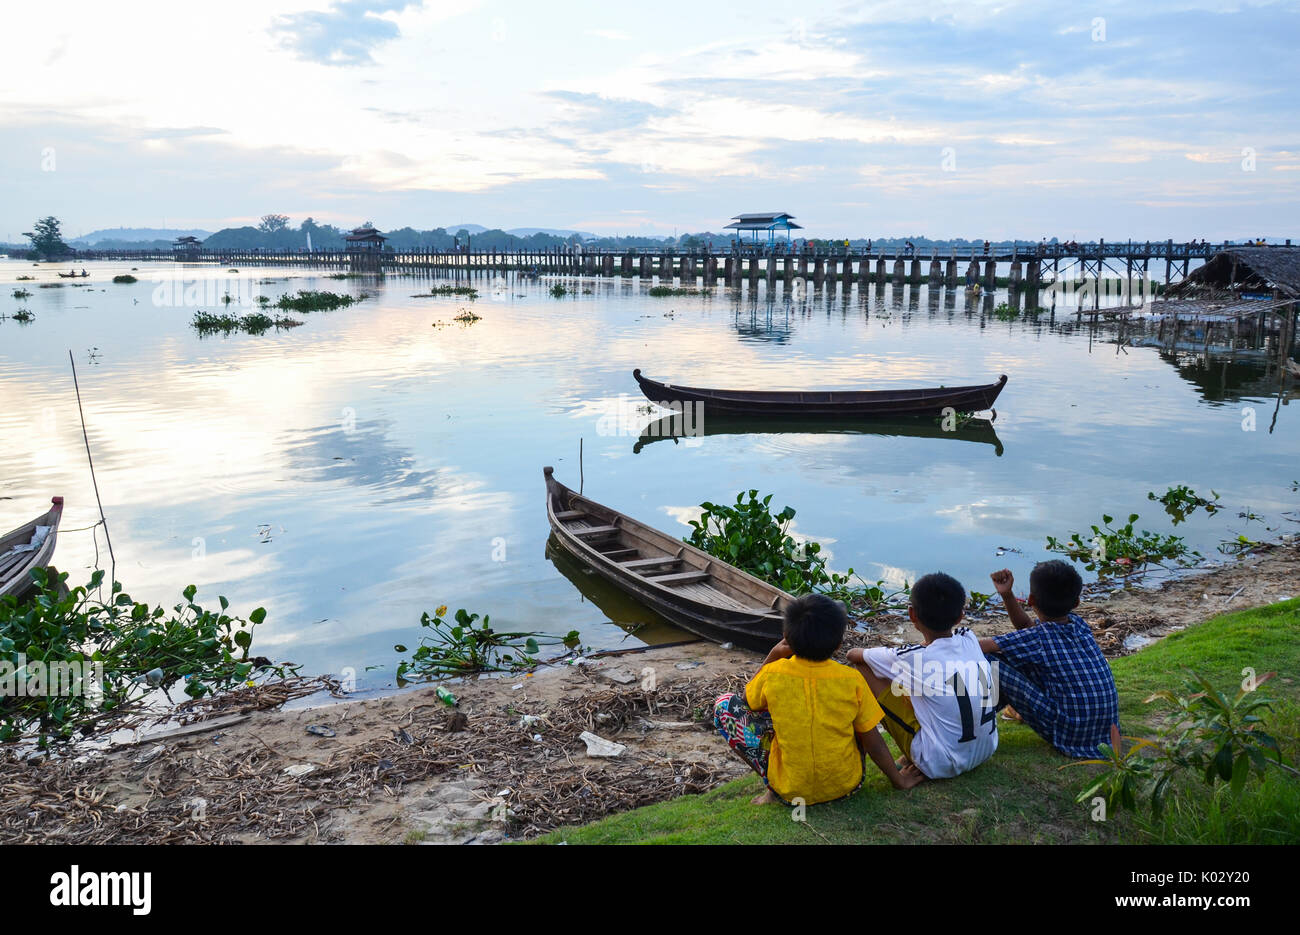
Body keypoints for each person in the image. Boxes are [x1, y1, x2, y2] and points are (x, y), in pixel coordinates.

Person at [714, 594, 923, 805]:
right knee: (859, 721)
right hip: (846, 787)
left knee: (725, 704)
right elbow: (873, 740)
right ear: (839, 645)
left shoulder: (772, 673)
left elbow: (745, 704)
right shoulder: (852, 679)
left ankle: (772, 788)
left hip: (790, 791)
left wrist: (773, 655)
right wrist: (899, 781)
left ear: (786, 635)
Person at [847, 572, 998, 779]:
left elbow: (853, 655)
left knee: (864, 667)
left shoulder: (914, 657)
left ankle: (914, 754)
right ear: (960, 616)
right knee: (921, 685)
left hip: (943, 763)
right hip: (987, 749)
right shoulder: (969, 638)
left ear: (912, 614)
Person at [979, 561, 1118, 758]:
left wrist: (934, 641)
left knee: (987, 659)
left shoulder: (1040, 638)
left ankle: (976, 720)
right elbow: (1028, 627)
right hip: (1106, 736)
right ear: (1076, 603)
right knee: (1020, 658)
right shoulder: (1078, 625)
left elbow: (977, 647)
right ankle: (996, 713)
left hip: (1069, 734)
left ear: (1030, 600)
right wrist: (1007, 594)